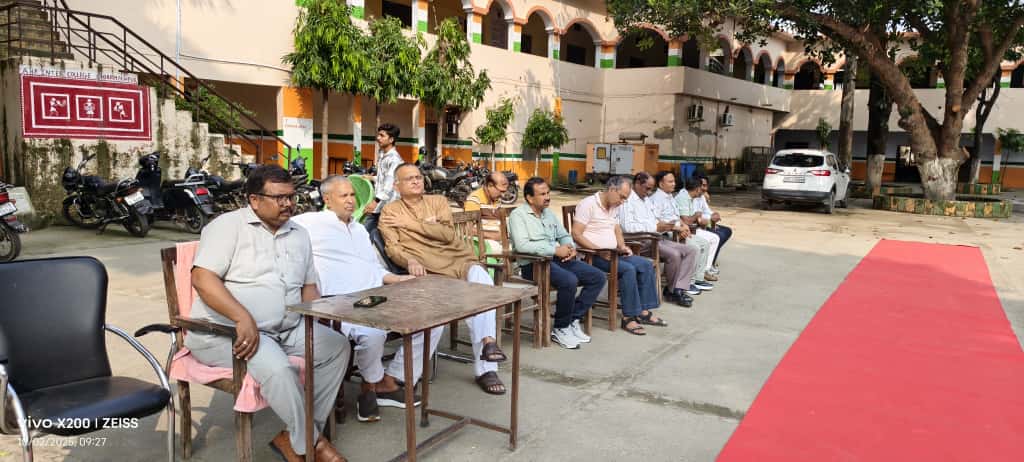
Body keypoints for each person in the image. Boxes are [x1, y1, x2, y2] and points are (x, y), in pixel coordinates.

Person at [186, 165, 349, 462]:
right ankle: (312, 446)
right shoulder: (227, 227)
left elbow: (309, 287)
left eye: (291, 197)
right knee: (279, 369)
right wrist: (241, 317)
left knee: (337, 346)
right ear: (254, 199)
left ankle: (297, 435)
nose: (288, 204)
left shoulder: (299, 234)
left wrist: (328, 311)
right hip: (230, 332)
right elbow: (202, 278)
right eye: (279, 198)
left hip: (287, 327)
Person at [291, 176, 443, 424]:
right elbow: (276, 228)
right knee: (373, 332)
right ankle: (369, 387)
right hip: (337, 304)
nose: (350, 201)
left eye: (352, 195)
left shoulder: (360, 229)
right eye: (343, 196)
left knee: (434, 320)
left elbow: (373, 268)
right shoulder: (310, 222)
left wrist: (398, 279)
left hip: (375, 297)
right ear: (327, 199)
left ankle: (391, 378)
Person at [378, 163, 509, 395]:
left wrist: (410, 225)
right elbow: (393, 247)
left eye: (418, 177)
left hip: (458, 260)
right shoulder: (390, 212)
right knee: (434, 319)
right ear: (397, 186)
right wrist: (409, 260)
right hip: (427, 271)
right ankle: (402, 377)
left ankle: (487, 352)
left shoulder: (437, 201)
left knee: (483, 284)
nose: (416, 181)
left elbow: (447, 235)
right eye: (409, 179)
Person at [508, 177, 606, 349]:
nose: (547, 197)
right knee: (569, 281)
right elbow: (522, 246)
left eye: (548, 193)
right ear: (530, 198)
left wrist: (570, 247)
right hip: (533, 264)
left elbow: (564, 235)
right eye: (542, 194)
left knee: (597, 277)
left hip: (557, 259)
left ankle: (572, 319)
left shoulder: (548, 213)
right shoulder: (518, 215)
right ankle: (560, 328)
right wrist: (554, 250)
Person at [571, 176, 665, 335]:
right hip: (592, 256)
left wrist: (622, 246)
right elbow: (576, 234)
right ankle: (628, 317)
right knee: (628, 270)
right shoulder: (588, 204)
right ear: (612, 190)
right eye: (622, 197)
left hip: (613, 254)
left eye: (625, 199)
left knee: (645, 264)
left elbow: (617, 229)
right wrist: (598, 251)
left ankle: (642, 311)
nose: (622, 202)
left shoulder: (613, 205)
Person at [618, 172, 700, 308]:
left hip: (655, 238)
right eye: (647, 188)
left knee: (691, 250)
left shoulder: (646, 199)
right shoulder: (627, 200)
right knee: (674, 254)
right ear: (637, 184)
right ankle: (673, 291)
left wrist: (668, 225)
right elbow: (627, 227)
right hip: (638, 241)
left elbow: (655, 219)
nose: (649, 192)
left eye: (651, 189)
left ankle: (677, 289)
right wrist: (655, 226)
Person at [650, 171, 717, 292]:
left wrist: (684, 225)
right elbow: (658, 222)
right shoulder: (656, 199)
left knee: (705, 244)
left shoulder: (669, 197)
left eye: (674, 181)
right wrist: (677, 228)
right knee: (694, 248)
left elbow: (677, 217)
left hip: (677, 230)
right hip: (666, 234)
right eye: (670, 182)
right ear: (660, 184)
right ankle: (688, 282)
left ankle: (698, 278)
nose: (673, 184)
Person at [676, 177, 721, 283]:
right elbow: (687, 220)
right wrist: (697, 216)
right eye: (701, 188)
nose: (703, 190)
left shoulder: (691, 197)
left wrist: (702, 219)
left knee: (712, 239)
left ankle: (701, 275)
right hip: (680, 231)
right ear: (697, 189)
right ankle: (691, 280)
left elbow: (699, 217)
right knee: (698, 246)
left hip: (690, 228)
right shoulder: (683, 197)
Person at [361, 123, 404, 234]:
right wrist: (371, 178)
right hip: (380, 205)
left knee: (369, 234)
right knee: (369, 234)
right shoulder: (382, 154)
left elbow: (389, 185)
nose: (378, 138)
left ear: (391, 139)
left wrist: (374, 202)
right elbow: (384, 178)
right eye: (378, 135)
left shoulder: (394, 159)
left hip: (388, 206)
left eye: (382, 135)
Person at [695, 174, 732, 270]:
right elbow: (697, 217)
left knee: (727, 230)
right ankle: (708, 264)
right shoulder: (691, 196)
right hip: (698, 225)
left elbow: (707, 211)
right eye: (702, 185)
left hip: (706, 222)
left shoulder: (702, 197)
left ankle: (710, 260)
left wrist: (715, 214)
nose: (704, 188)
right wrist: (711, 220)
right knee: (719, 235)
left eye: (706, 185)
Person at [463, 171, 509, 241]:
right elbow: (467, 228)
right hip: (480, 243)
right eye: (501, 191)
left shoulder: (496, 199)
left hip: (497, 242)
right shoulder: (474, 200)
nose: (503, 195)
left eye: (504, 191)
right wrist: (492, 236)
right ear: (490, 185)